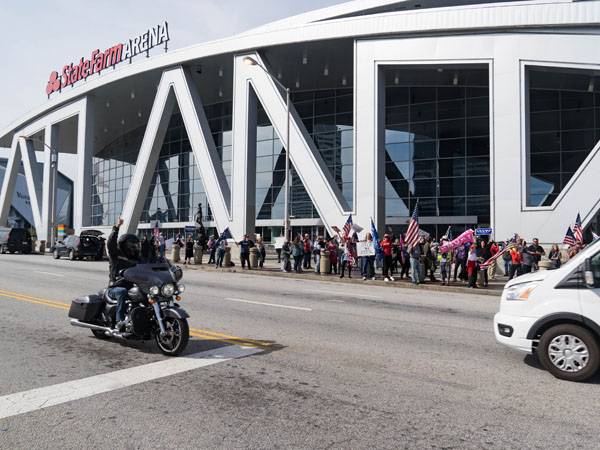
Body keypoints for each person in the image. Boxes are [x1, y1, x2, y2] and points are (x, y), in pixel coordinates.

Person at [106, 217, 141, 331]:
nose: (134, 247)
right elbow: (110, 242)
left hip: (131, 286)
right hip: (115, 287)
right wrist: (116, 227)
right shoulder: (115, 254)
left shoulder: (136, 258)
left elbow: (149, 263)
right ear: (125, 245)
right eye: (132, 245)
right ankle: (119, 321)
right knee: (122, 292)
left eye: (136, 245)